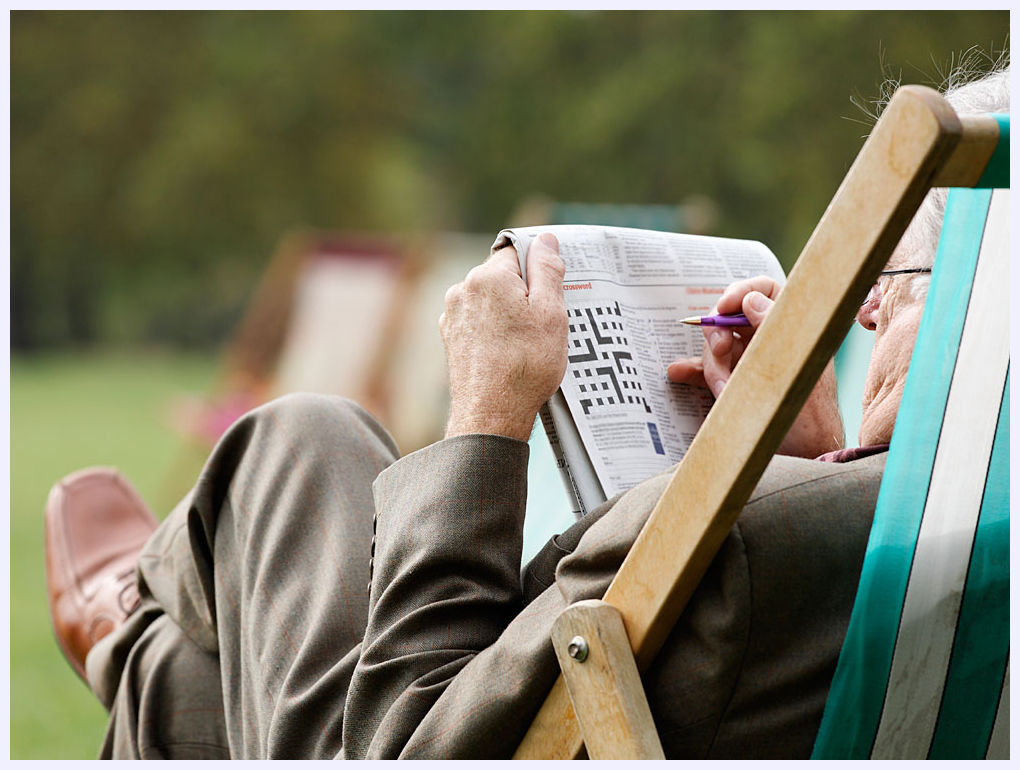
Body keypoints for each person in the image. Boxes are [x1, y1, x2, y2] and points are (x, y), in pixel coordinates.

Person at [43, 67, 1008, 759]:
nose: (869, 306)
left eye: (898, 278)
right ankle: (142, 637)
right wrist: (804, 457)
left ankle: (130, 626)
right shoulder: (944, 540)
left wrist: (488, 417)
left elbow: (400, 742)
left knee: (302, 441)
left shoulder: (746, 547)